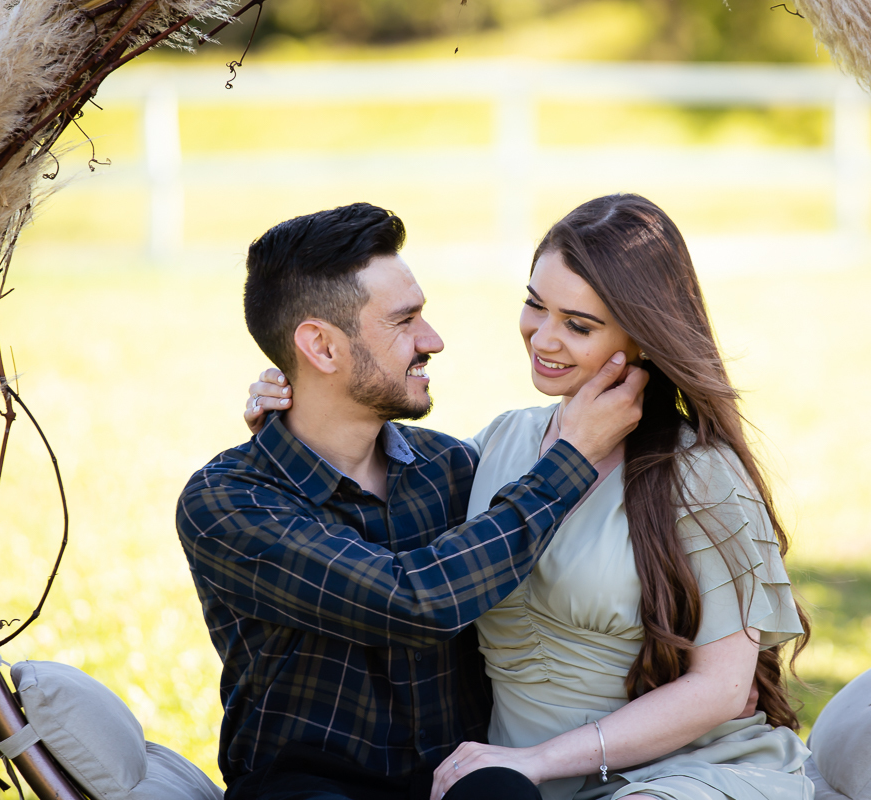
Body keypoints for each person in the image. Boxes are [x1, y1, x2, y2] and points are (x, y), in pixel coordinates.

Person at [247, 194, 813, 800]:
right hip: (513, 786)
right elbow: (375, 512)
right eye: (534, 305)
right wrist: (300, 411)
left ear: (642, 337)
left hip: (677, 771)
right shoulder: (497, 446)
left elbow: (723, 689)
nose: (543, 337)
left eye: (578, 324)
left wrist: (540, 760)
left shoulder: (700, 472)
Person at [177, 202, 649, 800]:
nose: (434, 340)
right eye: (405, 321)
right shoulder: (227, 503)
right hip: (309, 786)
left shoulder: (451, 469)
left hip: (460, 782)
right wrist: (571, 460)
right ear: (321, 348)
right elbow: (414, 601)